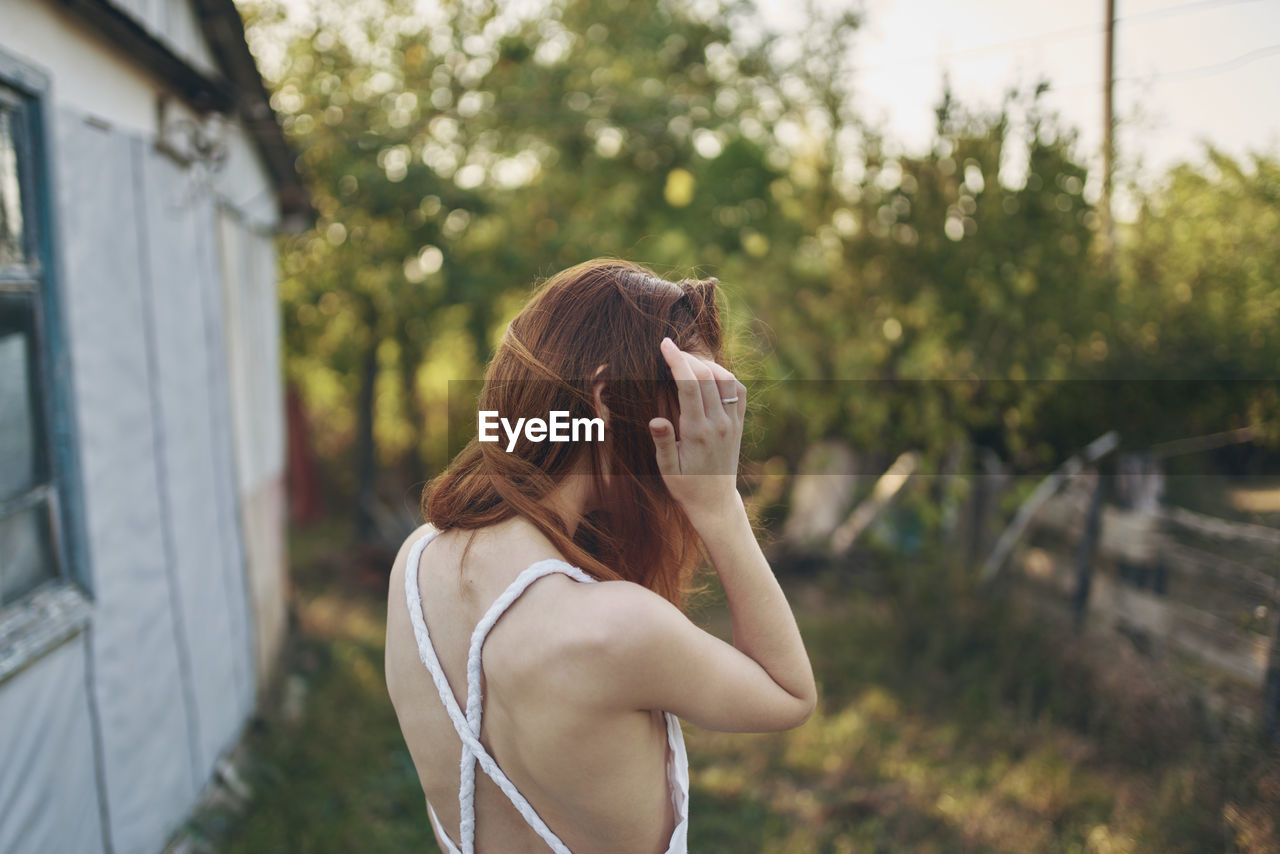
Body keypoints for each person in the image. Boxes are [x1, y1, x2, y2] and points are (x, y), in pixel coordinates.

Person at [384, 258, 817, 854]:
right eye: (696, 397)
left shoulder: (416, 561)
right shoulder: (617, 627)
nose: (712, 430)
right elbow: (789, 692)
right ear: (608, 398)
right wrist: (719, 505)